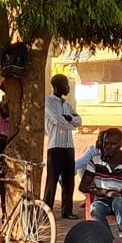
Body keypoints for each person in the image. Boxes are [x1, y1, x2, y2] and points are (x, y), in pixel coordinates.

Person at [77, 128, 122, 232]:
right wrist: (105, 192)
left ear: (120, 145)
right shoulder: (95, 161)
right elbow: (83, 186)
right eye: (105, 143)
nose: (107, 147)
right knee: (96, 208)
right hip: (102, 201)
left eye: (112, 144)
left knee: (118, 202)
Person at [44, 74, 83, 218]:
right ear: (58, 86)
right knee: (52, 180)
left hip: (69, 147)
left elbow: (79, 121)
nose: (68, 87)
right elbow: (58, 120)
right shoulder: (48, 102)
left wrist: (71, 119)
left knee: (69, 181)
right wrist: (70, 123)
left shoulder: (67, 104)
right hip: (55, 146)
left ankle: (67, 211)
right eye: (66, 84)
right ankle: (46, 211)